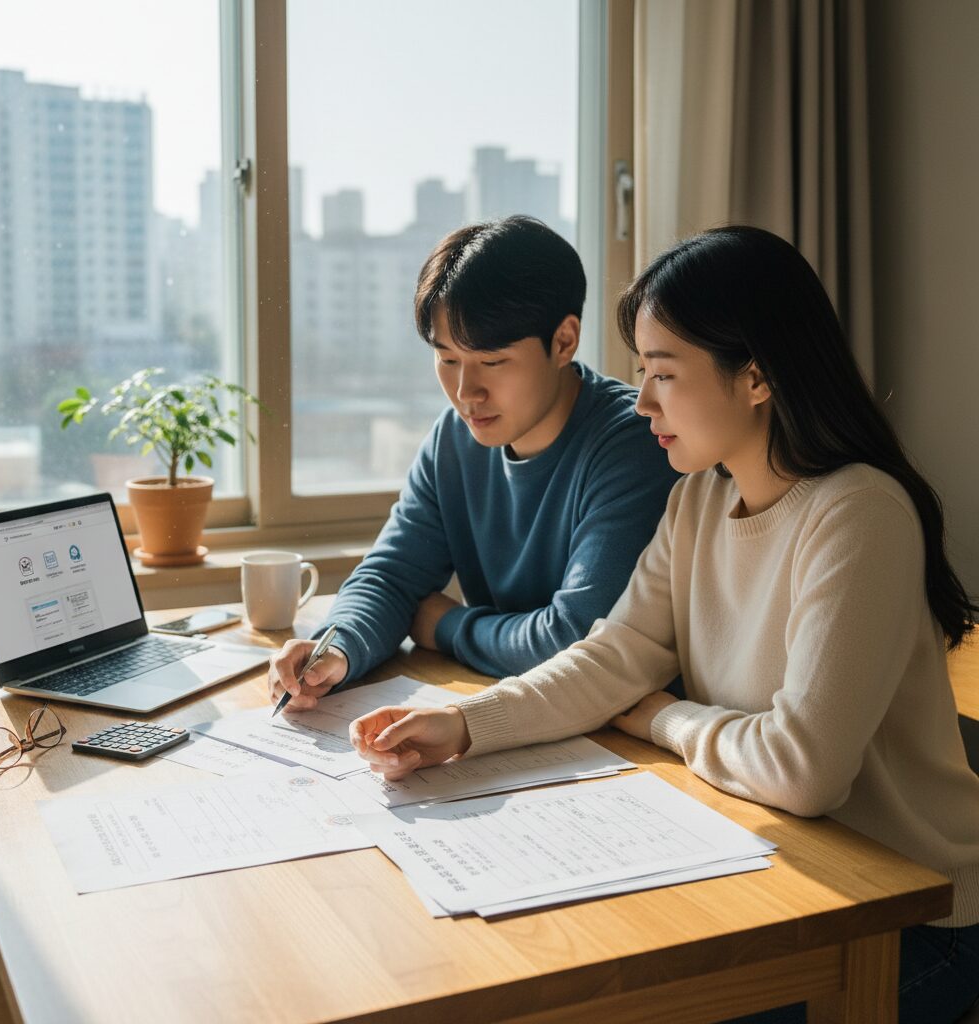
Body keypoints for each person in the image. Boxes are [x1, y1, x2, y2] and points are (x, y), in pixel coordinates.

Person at [350, 226, 979, 1024]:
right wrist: (462, 724)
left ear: (756, 377)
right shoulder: (700, 499)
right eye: (642, 371)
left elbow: (803, 769)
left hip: (911, 919)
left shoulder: (857, 514)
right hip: (792, 873)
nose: (642, 399)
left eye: (664, 374)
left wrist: (662, 717)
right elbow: (613, 656)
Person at [268, 215, 679, 708]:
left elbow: (577, 640)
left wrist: (445, 625)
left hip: (623, 736)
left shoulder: (632, 443)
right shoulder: (454, 440)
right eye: (446, 359)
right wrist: (335, 647)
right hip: (509, 715)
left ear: (564, 341)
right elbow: (391, 576)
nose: (466, 393)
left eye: (491, 362)